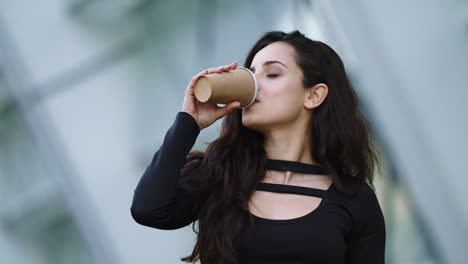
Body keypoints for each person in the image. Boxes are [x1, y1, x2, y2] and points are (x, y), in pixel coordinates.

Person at [130, 30, 386, 264]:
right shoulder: (222, 175)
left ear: (313, 95)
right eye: (251, 75)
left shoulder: (355, 199)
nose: (253, 87)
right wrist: (189, 121)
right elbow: (149, 209)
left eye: (272, 74)